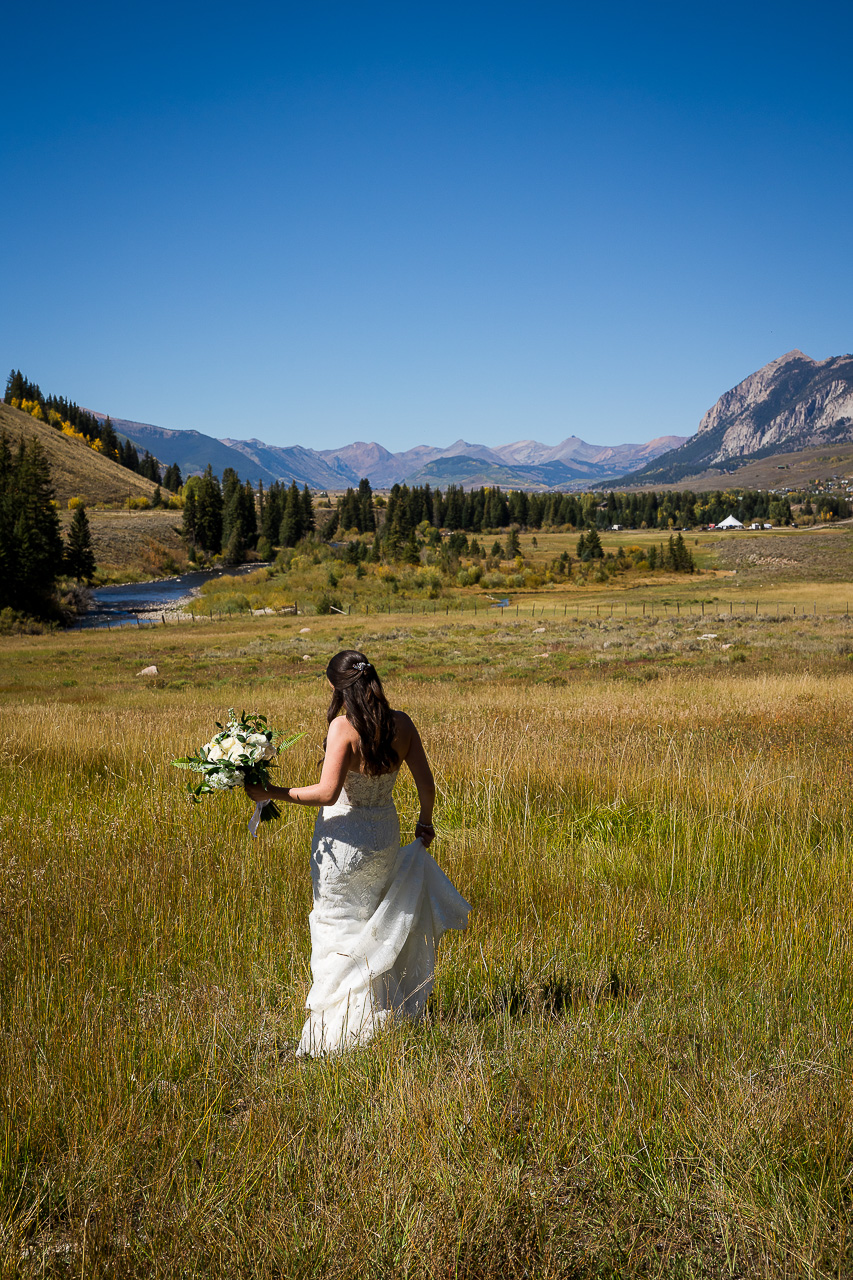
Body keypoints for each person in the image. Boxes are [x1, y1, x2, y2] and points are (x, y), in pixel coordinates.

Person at [244, 649, 470, 1056]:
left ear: (337, 685)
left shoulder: (342, 728)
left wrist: (270, 793)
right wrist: (425, 821)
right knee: (369, 924)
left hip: (343, 840)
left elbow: (328, 793)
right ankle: (377, 1015)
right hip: (383, 836)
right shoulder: (401, 724)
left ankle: (339, 1032)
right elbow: (427, 785)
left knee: (336, 924)